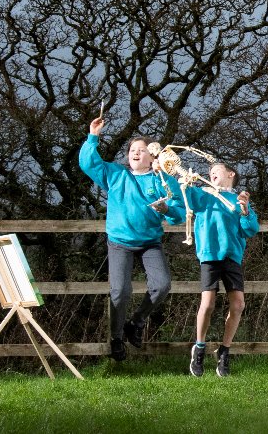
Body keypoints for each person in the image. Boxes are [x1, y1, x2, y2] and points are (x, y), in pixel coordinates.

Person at [79, 117, 185, 362]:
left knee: (162, 284)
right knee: (120, 291)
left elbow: (180, 210)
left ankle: (136, 322)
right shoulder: (116, 174)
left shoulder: (162, 180)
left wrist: (167, 210)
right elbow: (88, 163)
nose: (136, 153)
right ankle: (116, 338)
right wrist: (93, 136)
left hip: (150, 242)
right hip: (119, 242)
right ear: (128, 156)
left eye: (142, 150)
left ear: (152, 157)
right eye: (132, 150)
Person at [186, 162, 259, 377]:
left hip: (232, 258)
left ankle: (224, 352)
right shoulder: (204, 194)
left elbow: (250, 230)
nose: (212, 173)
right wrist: (184, 181)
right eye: (209, 172)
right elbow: (184, 195)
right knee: (207, 304)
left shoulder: (238, 200)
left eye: (216, 170)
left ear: (230, 174)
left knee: (238, 305)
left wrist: (245, 211)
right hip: (209, 256)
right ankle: (199, 348)